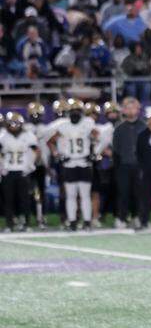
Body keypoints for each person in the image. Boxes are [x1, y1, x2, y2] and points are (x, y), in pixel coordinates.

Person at [47, 98, 98, 230]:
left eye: (77, 111)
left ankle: (87, 222)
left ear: (81, 112)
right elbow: (50, 142)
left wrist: (94, 152)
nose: (75, 113)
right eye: (72, 111)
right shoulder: (63, 126)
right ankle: (73, 221)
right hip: (69, 163)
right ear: (68, 112)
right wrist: (58, 155)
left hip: (84, 162)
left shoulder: (88, 124)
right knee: (71, 195)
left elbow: (98, 137)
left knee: (85, 195)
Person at [0, 111, 38, 230]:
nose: (14, 126)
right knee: (8, 200)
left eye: (16, 123)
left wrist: (30, 166)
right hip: (8, 171)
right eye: (12, 123)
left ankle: (26, 223)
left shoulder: (28, 135)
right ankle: (9, 224)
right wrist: (1, 168)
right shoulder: (2, 136)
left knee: (25, 199)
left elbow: (35, 152)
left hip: (23, 171)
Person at [112, 97, 145, 228]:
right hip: (123, 166)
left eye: (133, 108)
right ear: (124, 110)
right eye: (128, 108)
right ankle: (121, 218)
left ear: (138, 110)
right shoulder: (119, 128)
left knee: (139, 194)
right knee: (123, 193)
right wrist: (117, 168)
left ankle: (137, 217)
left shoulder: (144, 127)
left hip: (140, 166)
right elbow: (116, 150)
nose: (130, 110)